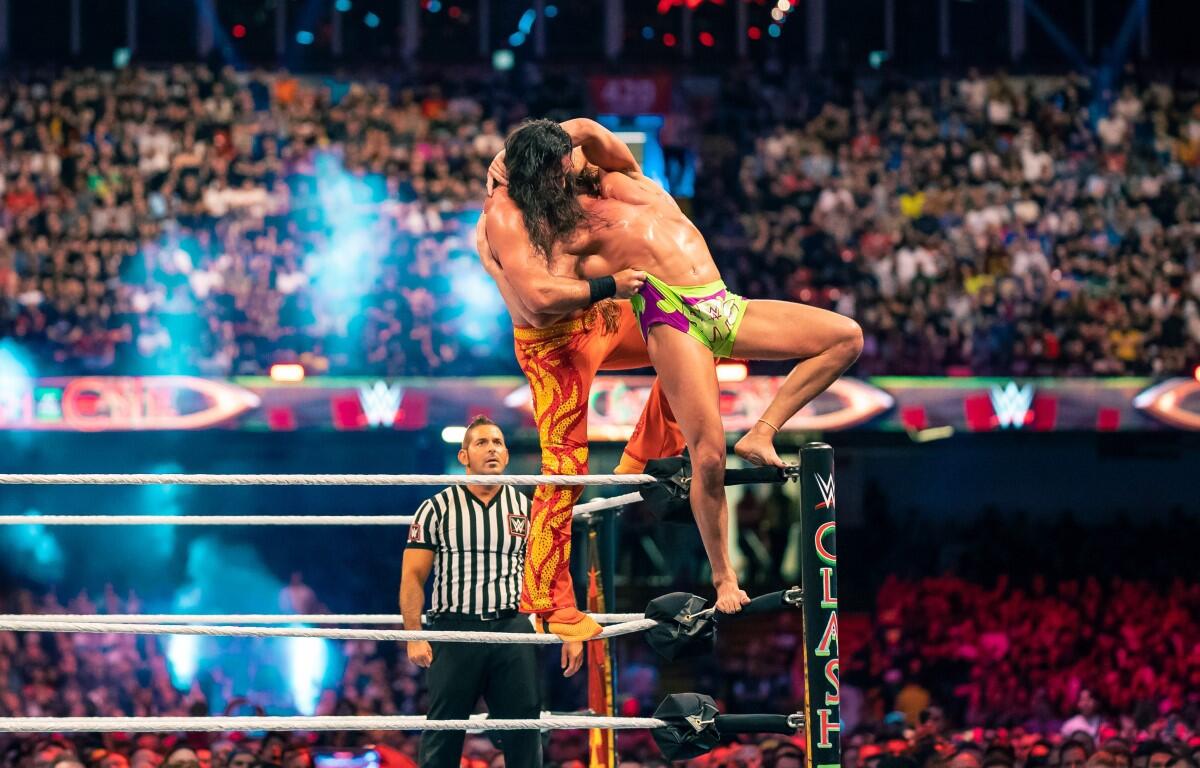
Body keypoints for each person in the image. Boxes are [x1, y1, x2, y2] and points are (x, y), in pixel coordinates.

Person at [490, 118, 863, 611]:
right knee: (707, 455)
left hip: (721, 303)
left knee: (845, 337)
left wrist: (522, 148)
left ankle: (762, 432)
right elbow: (536, 299)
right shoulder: (563, 230)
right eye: (560, 163)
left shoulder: (626, 176)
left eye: (571, 153)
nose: (573, 160)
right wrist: (504, 202)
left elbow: (587, 130)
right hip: (672, 318)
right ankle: (724, 577)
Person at [477, 163, 687, 640]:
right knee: (565, 469)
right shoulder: (503, 218)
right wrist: (611, 284)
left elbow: (596, 138)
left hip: (600, 319)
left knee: (699, 328)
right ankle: (548, 603)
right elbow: (536, 305)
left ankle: (647, 454)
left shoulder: (580, 189)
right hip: (553, 346)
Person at [400, 416, 569, 768]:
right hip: (454, 629)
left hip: (512, 628)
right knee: (444, 729)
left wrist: (568, 627)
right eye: (481, 443)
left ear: (506, 455)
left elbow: (549, 572)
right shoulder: (436, 508)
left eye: (497, 442)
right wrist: (414, 635)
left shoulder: (526, 508)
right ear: (464, 456)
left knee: (525, 727)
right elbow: (413, 576)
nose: (491, 449)